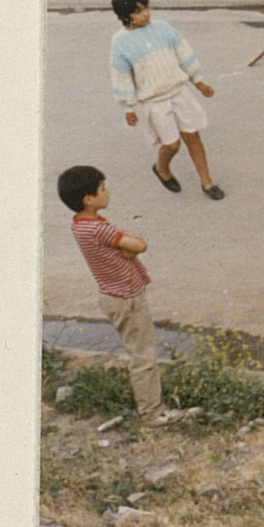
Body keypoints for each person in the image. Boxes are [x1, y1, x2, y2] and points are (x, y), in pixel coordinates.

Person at [59, 165, 176, 426]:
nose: (107, 191)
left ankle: (151, 406)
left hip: (112, 295)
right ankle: (152, 412)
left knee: (139, 350)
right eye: (102, 188)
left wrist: (126, 248)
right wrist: (128, 247)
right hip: (126, 299)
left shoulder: (81, 224)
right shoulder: (101, 229)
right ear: (88, 199)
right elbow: (139, 245)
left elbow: (127, 246)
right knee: (143, 356)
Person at [108, 0, 224, 200]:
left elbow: (184, 53)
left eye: (146, 8)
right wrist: (128, 107)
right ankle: (161, 167)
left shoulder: (163, 28)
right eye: (137, 12)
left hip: (179, 92)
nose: (145, 14)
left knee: (193, 136)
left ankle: (207, 182)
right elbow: (121, 75)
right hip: (154, 100)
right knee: (172, 144)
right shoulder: (120, 42)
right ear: (125, 15)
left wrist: (198, 81)